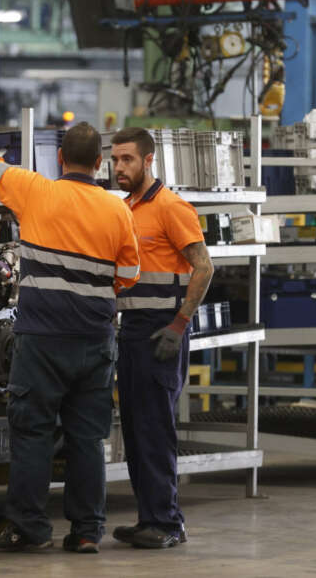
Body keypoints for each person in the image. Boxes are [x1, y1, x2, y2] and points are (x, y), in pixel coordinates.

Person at [0, 94, 141, 554]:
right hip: (95, 342)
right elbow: (128, 276)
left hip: (42, 341)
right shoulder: (118, 210)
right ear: (99, 163)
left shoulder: (34, 190)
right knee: (88, 439)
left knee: (32, 436)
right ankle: (88, 530)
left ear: (59, 158)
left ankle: (31, 530)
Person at [109, 126, 214, 550]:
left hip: (161, 333)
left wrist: (179, 324)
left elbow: (204, 267)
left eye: (127, 159)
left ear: (148, 160)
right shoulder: (125, 209)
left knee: (155, 430)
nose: (118, 167)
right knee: (134, 430)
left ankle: (168, 523)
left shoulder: (172, 208)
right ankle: (148, 517)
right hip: (131, 332)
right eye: (114, 159)